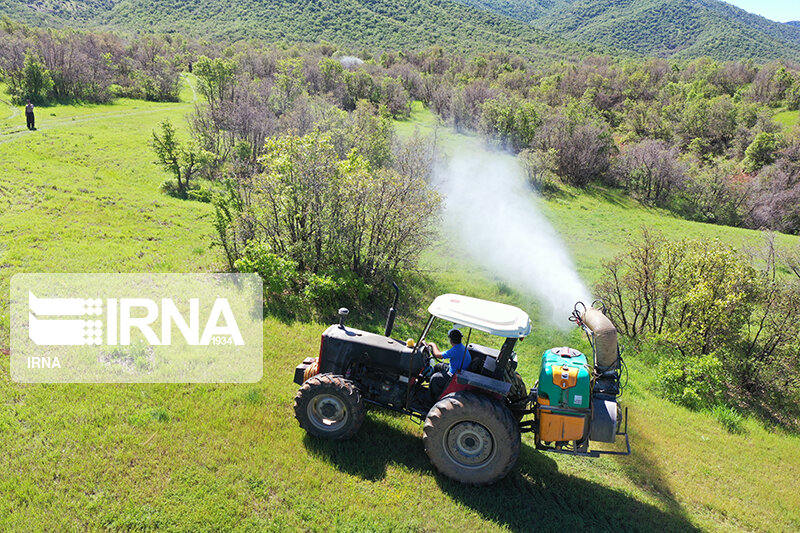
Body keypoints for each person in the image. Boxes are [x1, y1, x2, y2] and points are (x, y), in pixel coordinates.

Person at [425, 328, 471, 401]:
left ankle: (432, 399)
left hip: (455, 375)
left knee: (435, 378)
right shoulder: (461, 347)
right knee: (438, 366)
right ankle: (431, 387)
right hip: (458, 369)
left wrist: (432, 344)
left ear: (451, 340)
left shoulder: (456, 350)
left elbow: (437, 354)